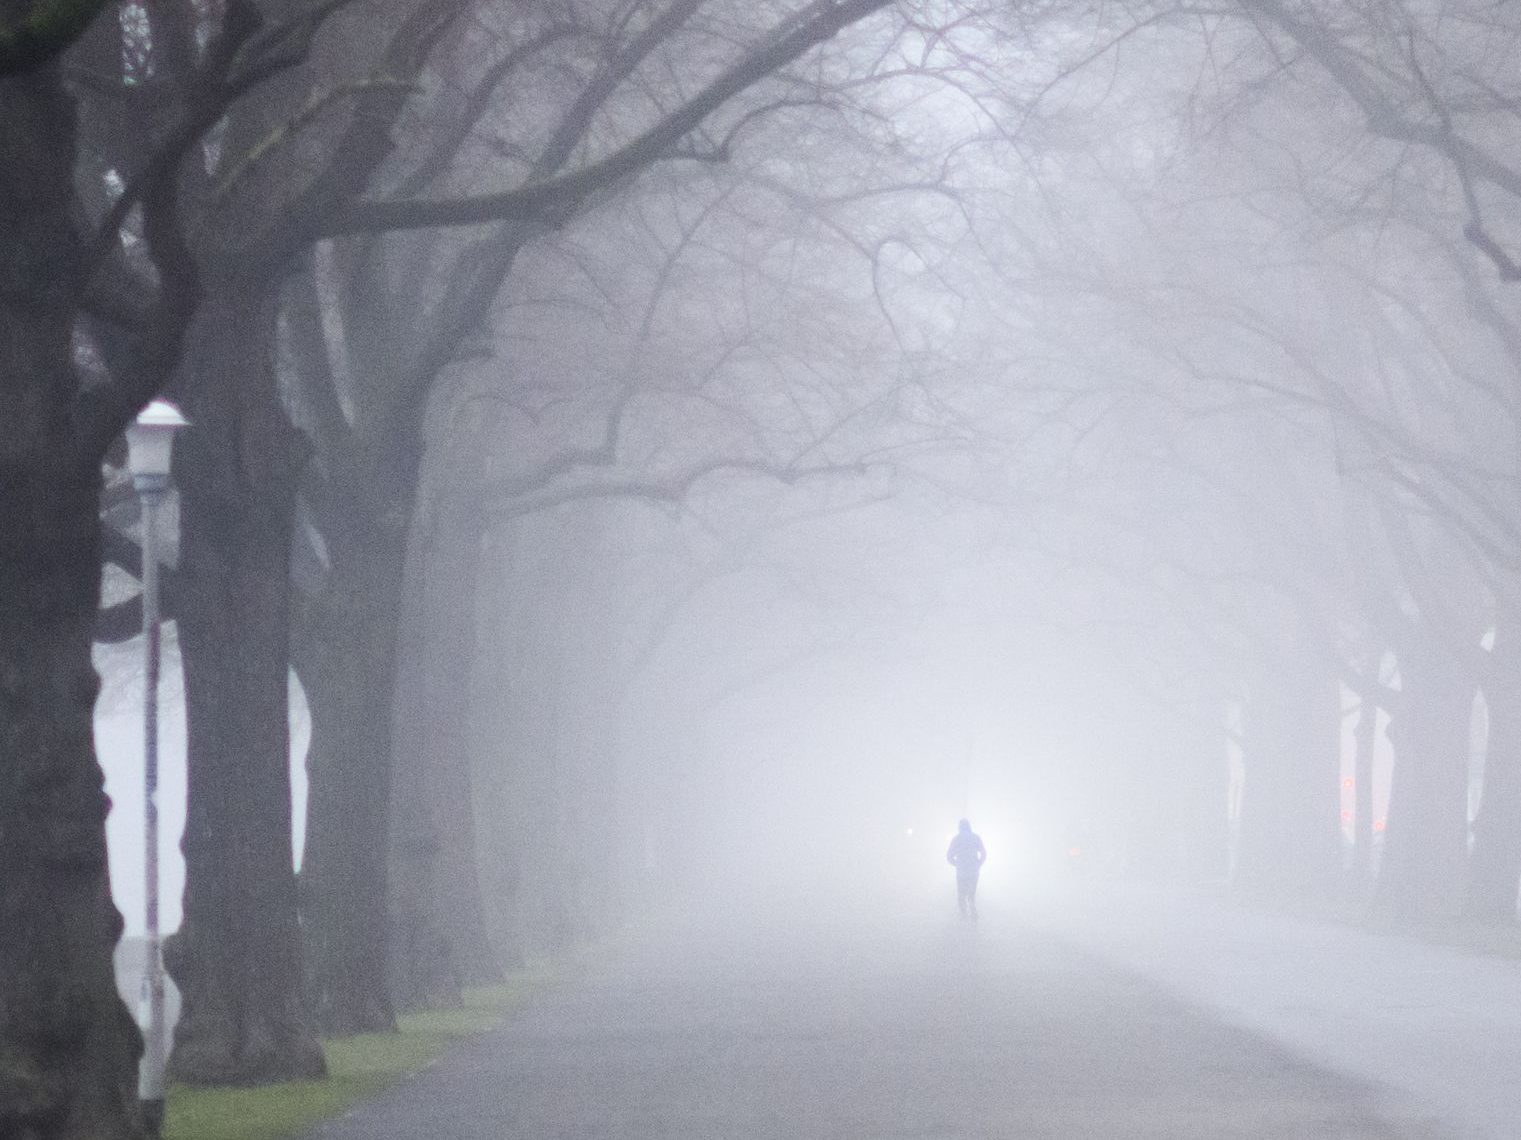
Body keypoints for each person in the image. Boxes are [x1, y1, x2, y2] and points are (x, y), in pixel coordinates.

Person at [945, 819, 987, 919]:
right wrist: (978, 863)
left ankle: (963, 916)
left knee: (961, 894)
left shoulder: (956, 839)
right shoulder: (976, 838)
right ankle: (973, 911)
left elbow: (949, 855)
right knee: (972, 894)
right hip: (974, 871)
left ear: (959, 827)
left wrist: (956, 863)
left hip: (961, 872)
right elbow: (984, 854)